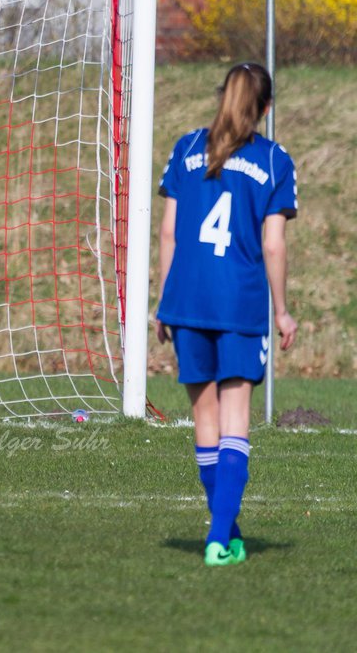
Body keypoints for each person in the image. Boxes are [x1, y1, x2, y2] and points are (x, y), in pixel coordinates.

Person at [155, 62, 298, 567]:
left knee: (205, 418)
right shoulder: (275, 160)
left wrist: (164, 301)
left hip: (187, 298)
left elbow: (168, 233)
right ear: (265, 108)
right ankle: (219, 538)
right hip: (238, 301)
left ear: (221, 97)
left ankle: (225, 531)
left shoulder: (187, 148)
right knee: (237, 418)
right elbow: (274, 246)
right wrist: (282, 311)